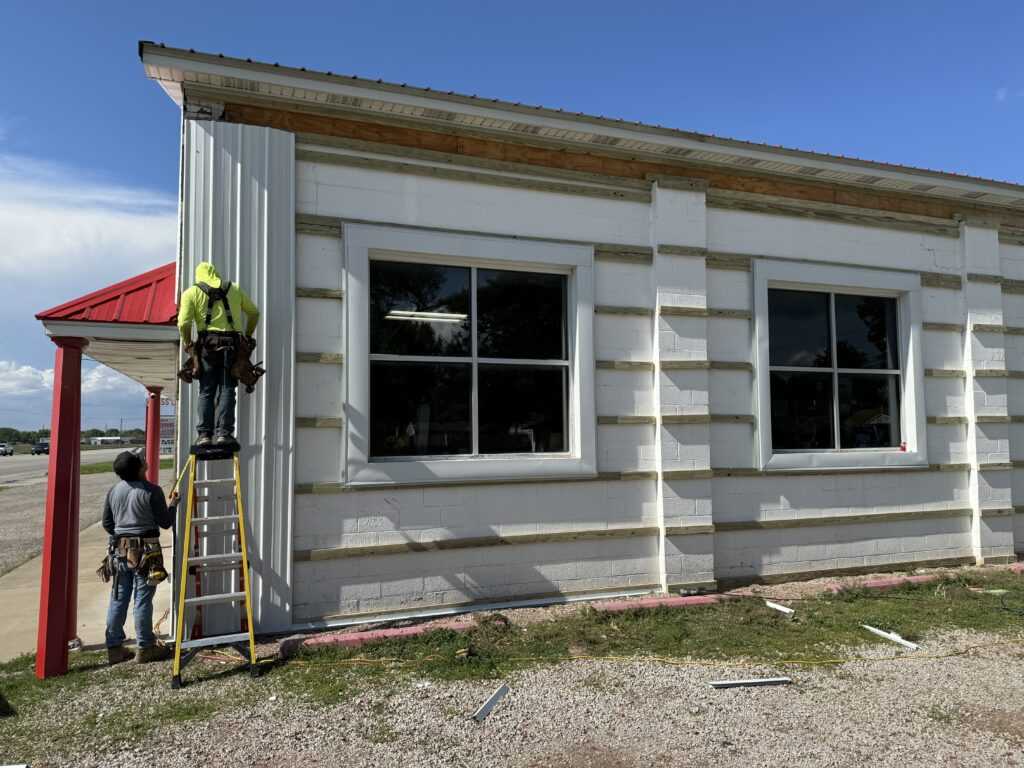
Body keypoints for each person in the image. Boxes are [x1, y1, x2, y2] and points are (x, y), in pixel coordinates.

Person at [103, 450, 177, 664]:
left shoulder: (113, 491)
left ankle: (114, 648)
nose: (146, 460)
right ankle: (145, 647)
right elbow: (165, 523)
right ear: (139, 468)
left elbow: (108, 524)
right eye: (142, 460)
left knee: (118, 598)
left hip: (119, 552)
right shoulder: (152, 491)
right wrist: (172, 506)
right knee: (142, 600)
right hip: (147, 554)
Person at [178, 262, 260, 446]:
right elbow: (254, 313)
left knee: (207, 391)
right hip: (232, 346)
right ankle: (224, 434)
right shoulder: (234, 289)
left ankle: (204, 436)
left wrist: (187, 342)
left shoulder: (191, 293)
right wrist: (247, 334)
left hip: (207, 346)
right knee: (227, 389)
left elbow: (183, 323)